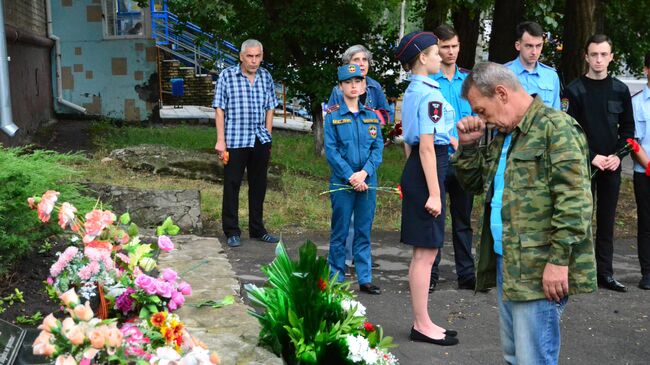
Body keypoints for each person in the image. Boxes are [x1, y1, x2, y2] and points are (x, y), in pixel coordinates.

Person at [453, 61, 596, 364]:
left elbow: (575, 202)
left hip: (540, 268)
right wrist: (467, 147)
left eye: (482, 110)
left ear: (501, 93)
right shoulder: (506, 135)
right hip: (509, 260)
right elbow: (476, 184)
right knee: (515, 356)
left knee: (534, 358)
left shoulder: (555, 128)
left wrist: (559, 261)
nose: (483, 120)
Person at [395, 31, 458, 346]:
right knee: (426, 253)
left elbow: (410, 142)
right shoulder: (430, 93)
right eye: (436, 52)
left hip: (420, 170)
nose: (441, 56)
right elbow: (427, 148)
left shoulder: (413, 91)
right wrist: (433, 192)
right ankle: (421, 324)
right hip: (429, 170)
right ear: (422, 57)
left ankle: (424, 320)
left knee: (426, 250)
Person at [565, 34, 635, 292]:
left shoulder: (620, 89)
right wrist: (590, 156)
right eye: (594, 54)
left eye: (604, 54)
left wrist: (618, 156)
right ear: (586, 56)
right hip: (583, 166)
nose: (598, 59)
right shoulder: (573, 90)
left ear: (611, 57)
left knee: (606, 221)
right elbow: (569, 132)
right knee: (578, 219)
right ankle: (576, 273)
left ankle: (605, 273)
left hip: (611, 166)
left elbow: (628, 131)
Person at [328, 45, 391, 271]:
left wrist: (364, 173)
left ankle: (365, 277)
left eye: (358, 82)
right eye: (349, 82)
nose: (354, 86)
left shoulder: (372, 115)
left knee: (364, 229)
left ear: (364, 85)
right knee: (341, 229)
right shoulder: (334, 115)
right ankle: (336, 274)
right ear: (341, 85)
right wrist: (351, 176)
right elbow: (332, 150)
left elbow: (377, 148)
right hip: (343, 179)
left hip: (367, 178)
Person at [213, 39, 280, 248]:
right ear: (241, 56)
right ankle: (232, 231)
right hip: (235, 139)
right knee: (232, 185)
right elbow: (219, 109)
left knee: (259, 185)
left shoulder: (265, 76)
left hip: (259, 139)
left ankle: (257, 229)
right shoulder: (227, 76)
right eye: (249, 56)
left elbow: (270, 107)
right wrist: (221, 141)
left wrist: (268, 135)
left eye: (257, 56)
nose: (254, 61)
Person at [428, 24, 476, 292]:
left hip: (464, 159)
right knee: (435, 219)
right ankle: (431, 274)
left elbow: (479, 113)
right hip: (437, 158)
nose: (451, 52)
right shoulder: (428, 81)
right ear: (436, 48)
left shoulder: (468, 80)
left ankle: (466, 274)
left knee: (463, 220)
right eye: (445, 47)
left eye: (454, 46)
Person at [505, 21, 561, 109]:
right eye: (529, 46)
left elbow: (556, 113)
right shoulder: (503, 74)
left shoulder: (551, 76)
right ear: (518, 46)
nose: (534, 52)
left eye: (538, 46)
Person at [630, 52, 650, 290]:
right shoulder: (637, 103)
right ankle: (647, 272)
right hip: (644, 172)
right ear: (646, 69)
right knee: (646, 223)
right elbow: (633, 141)